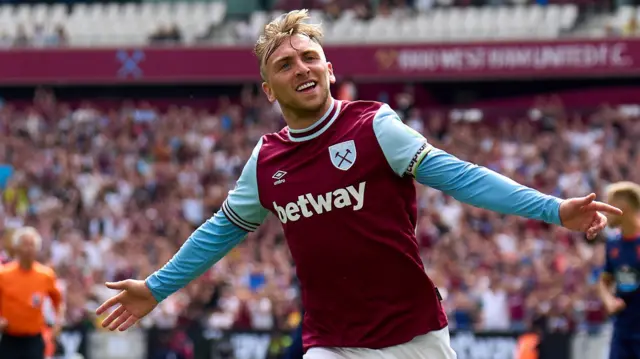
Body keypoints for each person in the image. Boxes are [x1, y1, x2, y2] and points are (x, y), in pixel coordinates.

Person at [96, 9, 621, 359]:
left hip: (414, 335)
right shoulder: (265, 160)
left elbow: (462, 177)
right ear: (269, 88)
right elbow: (220, 231)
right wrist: (156, 288)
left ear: (328, 67)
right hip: (333, 344)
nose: (301, 68)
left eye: (308, 58)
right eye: (284, 64)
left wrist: (555, 210)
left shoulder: (374, 126)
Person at [0, 226, 63, 359]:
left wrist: (58, 322)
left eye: (32, 245)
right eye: (25, 244)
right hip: (9, 338)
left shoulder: (45, 275)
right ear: (16, 248)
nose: (28, 249)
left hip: (33, 339)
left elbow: (58, 300)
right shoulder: (4, 274)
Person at [599, 181, 640, 359]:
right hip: (622, 329)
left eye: (609, 205)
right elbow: (604, 279)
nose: (606, 213)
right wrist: (608, 301)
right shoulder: (613, 243)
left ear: (623, 207)